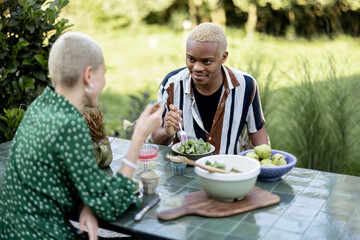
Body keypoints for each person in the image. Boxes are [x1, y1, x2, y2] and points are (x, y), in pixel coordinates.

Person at [0, 32, 164, 240]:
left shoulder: (41, 106)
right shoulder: (70, 124)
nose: (104, 82)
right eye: (102, 73)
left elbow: (68, 177)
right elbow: (109, 205)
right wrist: (139, 135)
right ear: (88, 75)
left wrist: (89, 202)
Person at [152, 22, 268, 154]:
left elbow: (257, 130)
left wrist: (266, 163)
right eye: (191, 59)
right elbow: (157, 139)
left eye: (207, 61)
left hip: (227, 170)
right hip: (182, 170)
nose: (197, 68)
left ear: (223, 57)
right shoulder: (171, 85)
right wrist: (167, 132)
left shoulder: (246, 85)